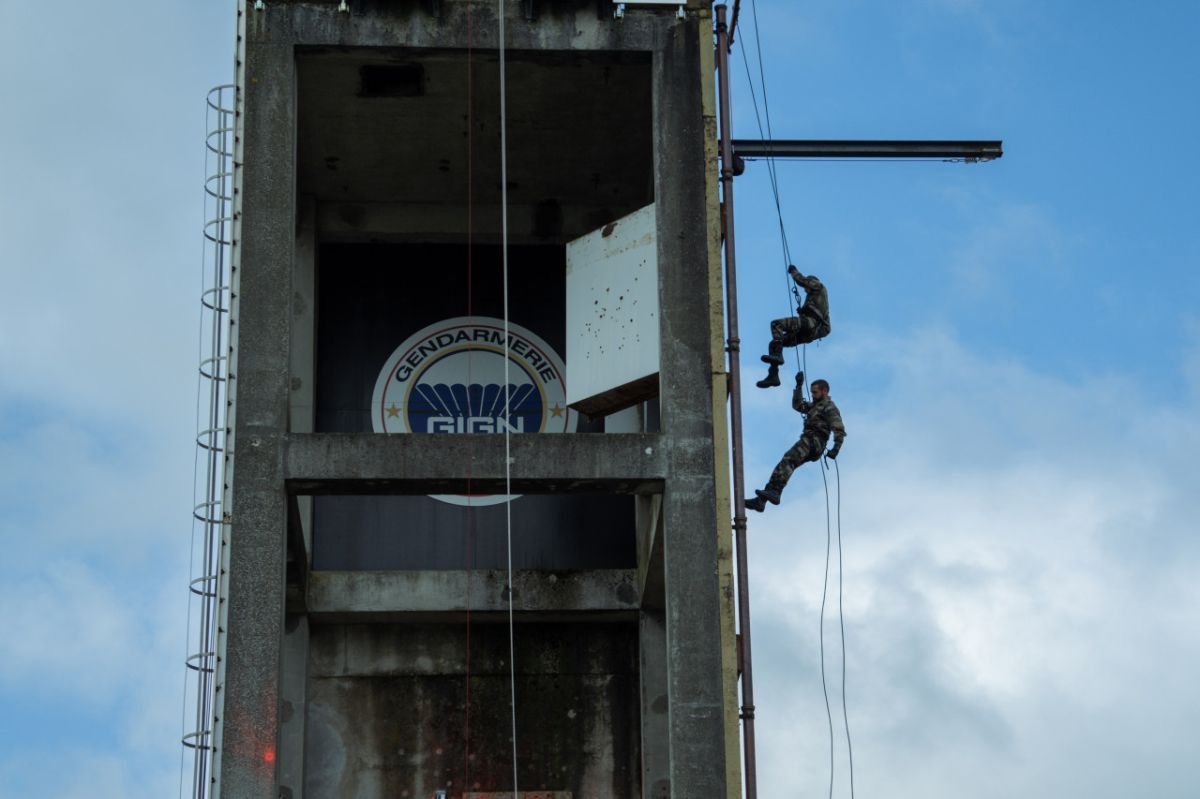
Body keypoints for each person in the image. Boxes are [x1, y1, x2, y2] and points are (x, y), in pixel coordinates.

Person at [745, 374, 845, 512]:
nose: (813, 395)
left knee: (788, 460)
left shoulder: (829, 407)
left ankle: (775, 493)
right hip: (809, 441)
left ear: (825, 391)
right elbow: (797, 405)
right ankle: (762, 500)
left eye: (815, 392)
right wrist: (798, 386)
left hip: (814, 442)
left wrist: (836, 449)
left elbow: (838, 428)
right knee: (785, 464)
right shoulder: (814, 406)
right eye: (812, 392)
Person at [756, 265, 831, 388]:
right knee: (774, 344)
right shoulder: (818, 302)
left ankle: (778, 357)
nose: (805, 290)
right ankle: (773, 376)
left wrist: (793, 271)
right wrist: (812, 334)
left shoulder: (818, 285)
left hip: (808, 324)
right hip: (808, 332)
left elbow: (802, 280)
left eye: (807, 287)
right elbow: (827, 330)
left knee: (776, 324)